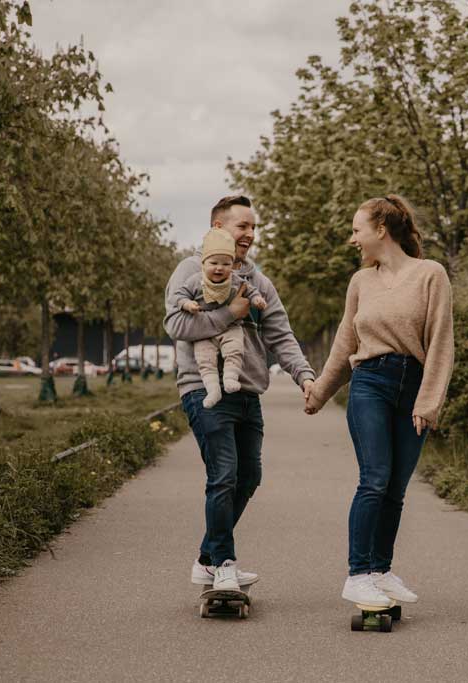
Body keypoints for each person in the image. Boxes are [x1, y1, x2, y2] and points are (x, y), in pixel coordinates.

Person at [304, 194, 454, 607]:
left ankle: (380, 570)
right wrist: (319, 391)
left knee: (396, 488)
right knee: (375, 477)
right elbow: (344, 344)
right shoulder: (360, 282)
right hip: (369, 382)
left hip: (413, 387)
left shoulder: (431, 274)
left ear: (381, 230)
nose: (353, 239)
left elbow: (442, 342)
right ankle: (357, 574)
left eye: (356, 230)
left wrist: (428, 402)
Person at [165, 194, 315, 593]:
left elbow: (281, 334)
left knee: (249, 477)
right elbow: (176, 326)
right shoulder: (190, 270)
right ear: (218, 229)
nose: (250, 234)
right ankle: (225, 564)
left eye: (253, 228)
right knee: (225, 474)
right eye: (242, 226)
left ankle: (206, 559)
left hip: (248, 391)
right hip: (204, 389)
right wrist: (231, 314)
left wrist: (305, 376)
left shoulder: (257, 282)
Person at [174, 227, 267, 408]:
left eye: (225, 264)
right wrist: (187, 304)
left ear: (231, 266)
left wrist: (257, 299)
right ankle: (213, 389)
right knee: (205, 359)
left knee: (235, 348)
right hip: (204, 333)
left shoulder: (235, 280)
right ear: (203, 264)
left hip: (231, 327)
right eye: (214, 263)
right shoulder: (195, 281)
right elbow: (179, 295)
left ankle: (231, 377)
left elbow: (251, 290)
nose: (219, 268)